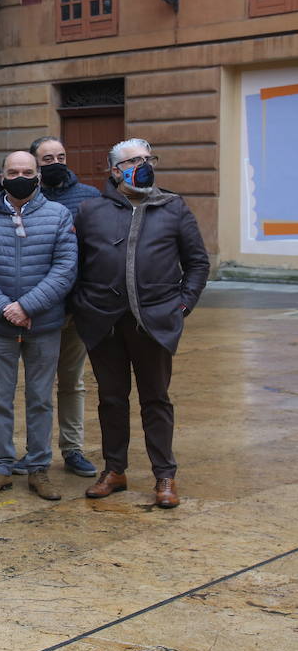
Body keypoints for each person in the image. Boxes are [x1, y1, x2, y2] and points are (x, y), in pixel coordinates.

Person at [73, 139, 209, 508]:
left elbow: (197, 263)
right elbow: (75, 265)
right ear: (115, 170)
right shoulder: (90, 211)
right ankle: (114, 471)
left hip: (155, 322)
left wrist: (183, 305)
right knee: (112, 399)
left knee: (156, 400)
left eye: (148, 159)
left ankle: (165, 476)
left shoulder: (173, 207)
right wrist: (82, 306)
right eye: (134, 160)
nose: (144, 165)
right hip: (104, 323)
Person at [0, 151, 77, 501]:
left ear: (38, 176)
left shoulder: (59, 216)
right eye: (13, 172)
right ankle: (0, 467)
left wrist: (27, 306)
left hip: (43, 325)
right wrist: (5, 308)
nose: (20, 176)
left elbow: (66, 268)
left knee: (41, 399)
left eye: (27, 171)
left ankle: (39, 469)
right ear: (2, 177)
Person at [23, 136, 103, 479]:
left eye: (61, 156)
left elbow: (95, 253)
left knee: (72, 382)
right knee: (36, 385)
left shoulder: (89, 198)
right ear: (34, 164)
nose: (55, 162)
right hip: (37, 309)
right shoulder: (23, 198)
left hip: (75, 308)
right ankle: (34, 451)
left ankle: (73, 449)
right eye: (47, 158)